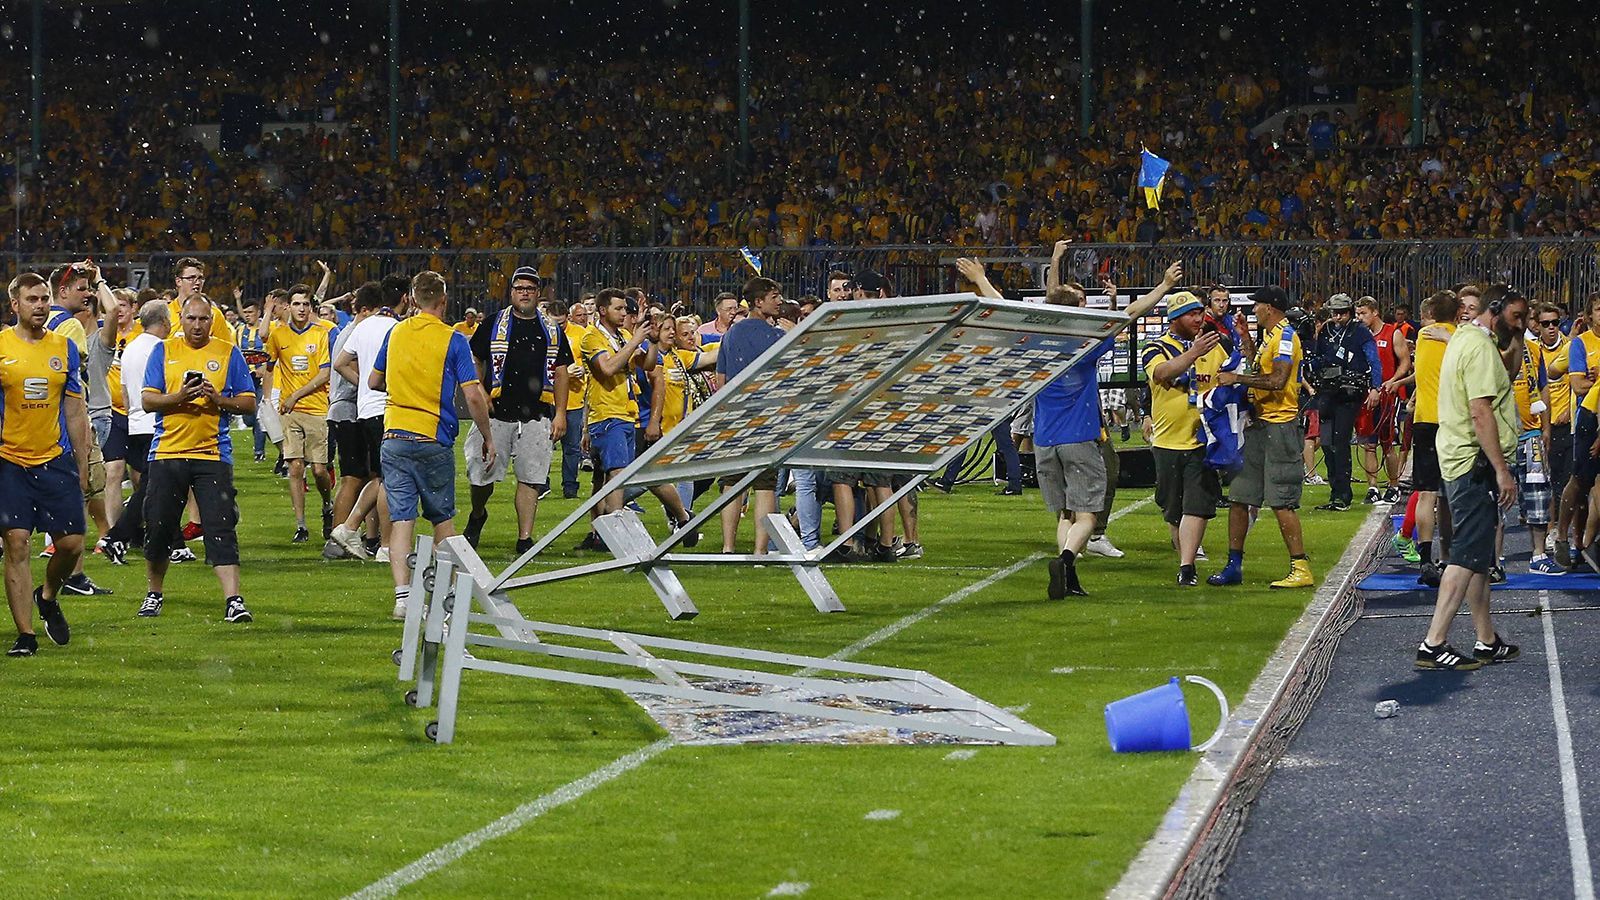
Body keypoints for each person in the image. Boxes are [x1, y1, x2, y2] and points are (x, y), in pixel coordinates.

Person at [982, 257, 1180, 598]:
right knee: (1088, 516)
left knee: (1065, 514)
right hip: (1079, 439)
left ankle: (1068, 576)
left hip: (1043, 442)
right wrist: (1163, 286)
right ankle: (1066, 559)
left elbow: (1003, 309)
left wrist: (980, 278)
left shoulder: (1037, 344)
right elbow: (1131, 312)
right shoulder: (1086, 344)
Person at [369, 271, 495, 619]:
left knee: (401, 519)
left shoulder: (395, 334)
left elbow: (374, 380)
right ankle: (447, 593)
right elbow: (472, 394)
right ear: (444, 301)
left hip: (394, 435)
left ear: (411, 299)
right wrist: (486, 436)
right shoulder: (452, 339)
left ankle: (403, 598)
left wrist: (403, 390)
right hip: (432, 437)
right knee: (442, 519)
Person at [1416, 285, 1522, 670]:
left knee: (1477, 555)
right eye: (1516, 316)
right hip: (1474, 462)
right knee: (1464, 556)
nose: (1521, 324)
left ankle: (1486, 639)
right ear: (1495, 310)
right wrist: (1501, 469)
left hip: (1459, 457)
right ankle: (1434, 642)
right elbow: (1481, 411)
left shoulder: (1466, 338)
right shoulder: (1477, 346)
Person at [137, 296, 257, 623]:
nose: (197, 325)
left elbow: (248, 402)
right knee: (160, 528)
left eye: (203, 319)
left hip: (212, 454)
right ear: (181, 319)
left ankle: (234, 600)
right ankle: (154, 593)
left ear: (212, 320)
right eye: (191, 318)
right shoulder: (163, 351)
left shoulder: (228, 352)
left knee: (221, 527)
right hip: (168, 452)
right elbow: (148, 400)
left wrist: (218, 399)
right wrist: (180, 397)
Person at [1, 273, 89, 657]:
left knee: (71, 545)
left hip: (54, 459)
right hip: (9, 461)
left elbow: (74, 409)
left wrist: (83, 463)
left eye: (44, 298)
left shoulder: (65, 348)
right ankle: (26, 635)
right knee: (16, 544)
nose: (40, 305)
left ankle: (48, 594)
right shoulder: (0, 347)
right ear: (14, 305)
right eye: (32, 299)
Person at [461, 267, 571, 555]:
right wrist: (481, 390)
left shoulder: (551, 329)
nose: (525, 293)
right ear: (511, 292)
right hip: (496, 413)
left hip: (536, 414)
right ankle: (477, 513)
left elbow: (561, 372)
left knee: (531, 478)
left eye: (530, 289)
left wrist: (560, 412)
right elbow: (476, 358)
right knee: (481, 476)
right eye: (520, 288)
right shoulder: (493, 323)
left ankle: (525, 539)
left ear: (538, 293)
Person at [1209, 286, 1313, 589]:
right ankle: (1233, 565)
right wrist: (1244, 337)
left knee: (1281, 501)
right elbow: (1260, 368)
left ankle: (1301, 567)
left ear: (1270, 307)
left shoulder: (1284, 337)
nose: (1253, 310)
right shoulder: (1271, 336)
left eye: (1257, 306)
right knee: (1240, 496)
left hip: (1280, 428)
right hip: (1258, 425)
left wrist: (1237, 378)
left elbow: (1278, 381)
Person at [579, 288, 696, 541]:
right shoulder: (592, 337)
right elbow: (608, 368)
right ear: (602, 310)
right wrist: (635, 340)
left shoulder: (622, 336)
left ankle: (599, 533)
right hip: (608, 413)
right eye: (619, 309)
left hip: (626, 414)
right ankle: (617, 533)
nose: (624, 313)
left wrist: (652, 341)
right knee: (617, 474)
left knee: (606, 477)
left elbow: (649, 365)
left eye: (626, 309)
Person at [1142, 292, 1232, 586]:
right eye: (1191, 314)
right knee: (1172, 509)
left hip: (1202, 440)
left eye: (1199, 313)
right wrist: (1194, 353)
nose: (1198, 319)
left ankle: (1187, 566)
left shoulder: (1213, 346)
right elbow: (1162, 372)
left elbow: (1229, 377)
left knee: (1197, 505)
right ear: (1175, 318)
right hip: (1167, 441)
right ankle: (1184, 554)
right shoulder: (1155, 347)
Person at [326, 274, 404, 562]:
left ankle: (359, 536)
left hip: (362, 410)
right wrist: (374, 385)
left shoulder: (359, 328)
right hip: (378, 408)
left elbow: (338, 363)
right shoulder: (395, 329)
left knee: (374, 476)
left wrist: (364, 387)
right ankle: (376, 543)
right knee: (379, 478)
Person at [712, 277, 788, 555]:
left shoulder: (731, 333)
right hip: (766, 417)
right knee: (765, 486)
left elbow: (720, 377)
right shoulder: (778, 336)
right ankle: (759, 550)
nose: (779, 301)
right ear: (759, 302)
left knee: (732, 482)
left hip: (734, 416)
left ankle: (728, 547)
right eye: (774, 296)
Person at [263, 284, 335, 543]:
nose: (301, 309)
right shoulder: (278, 335)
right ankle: (301, 525)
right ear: (288, 307)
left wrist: (295, 395)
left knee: (318, 470)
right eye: (296, 304)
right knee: (295, 467)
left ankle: (327, 505)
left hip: (316, 409)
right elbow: (269, 367)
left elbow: (325, 373)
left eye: (305, 304)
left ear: (310, 307)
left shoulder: (321, 334)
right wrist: (268, 399)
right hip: (289, 411)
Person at [1309, 293, 1382, 511]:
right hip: (1327, 391)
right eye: (1335, 312)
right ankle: (1335, 491)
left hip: (1350, 393)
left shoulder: (1360, 331)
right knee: (1328, 442)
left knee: (1340, 442)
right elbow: (1319, 357)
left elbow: (1373, 360)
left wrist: (1375, 387)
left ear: (1349, 311)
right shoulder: (1326, 331)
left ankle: (1343, 495)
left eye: (1342, 312)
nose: (1338, 316)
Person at [1406, 291, 1460, 586]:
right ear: (1456, 314)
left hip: (1425, 419)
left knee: (1426, 492)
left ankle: (1426, 560)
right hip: (1453, 421)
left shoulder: (1424, 335)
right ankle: (1456, 556)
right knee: (1455, 491)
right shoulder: (1462, 336)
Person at [1355, 296, 1412, 503]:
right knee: (1368, 444)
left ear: (1375, 312)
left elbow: (1405, 363)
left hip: (1388, 396)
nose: (1359, 318)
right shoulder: (1358, 336)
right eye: (1358, 314)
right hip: (1365, 397)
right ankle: (1372, 487)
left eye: (1363, 313)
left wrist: (1393, 381)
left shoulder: (1392, 333)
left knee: (1388, 444)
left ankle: (1394, 485)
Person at [1535, 303, 1575, 564]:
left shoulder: (1571, 347)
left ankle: (1562, 530)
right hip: (1540, 426)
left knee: (1567, 479)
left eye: (1555, 322)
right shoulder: (1533, 352)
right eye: (1546, 323)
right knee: (1546, 481)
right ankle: (1549, 528)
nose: (1551, 328)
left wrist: (1569, 414)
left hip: (1567, 423)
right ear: (1537, 325)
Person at [560, 298, 591, 499]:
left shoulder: (581, 334)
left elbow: (591, 363)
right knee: (543, 446)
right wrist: (562, 374)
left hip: (575, 398)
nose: (558, 326)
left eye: (562, 323)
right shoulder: (544, 334)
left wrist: (582, 372)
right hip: (549, 399)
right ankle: (540, 485)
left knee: (571, 446)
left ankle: (570, 486)